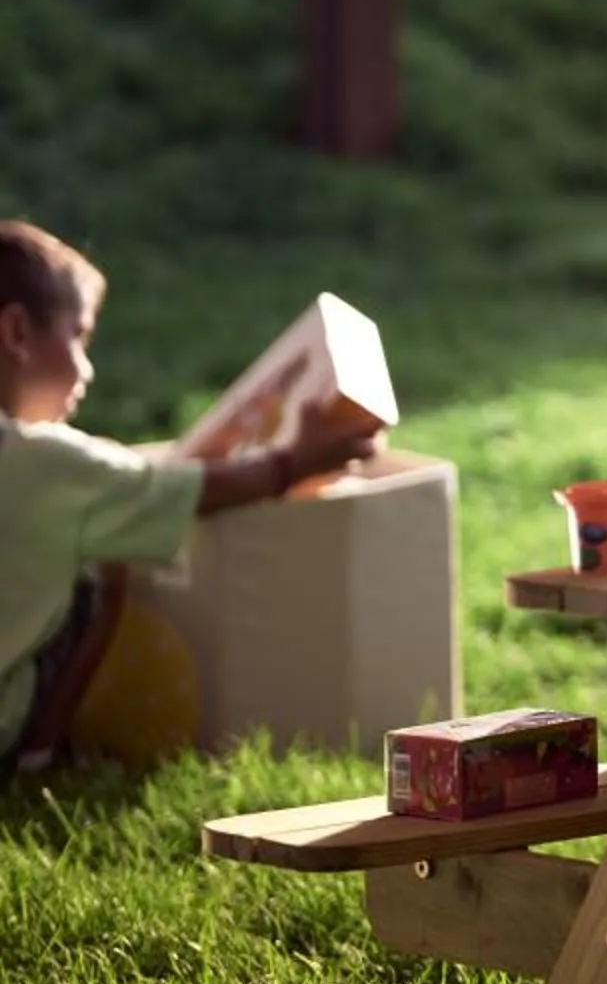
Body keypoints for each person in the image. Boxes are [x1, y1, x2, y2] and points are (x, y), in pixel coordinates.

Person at [1, 221, 378, 770]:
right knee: (104, 567)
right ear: (15, 332)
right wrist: (295, 462)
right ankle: (36, 756)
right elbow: (184, 492)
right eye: (79, 336)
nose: (87, 367)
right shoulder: (43, 460)